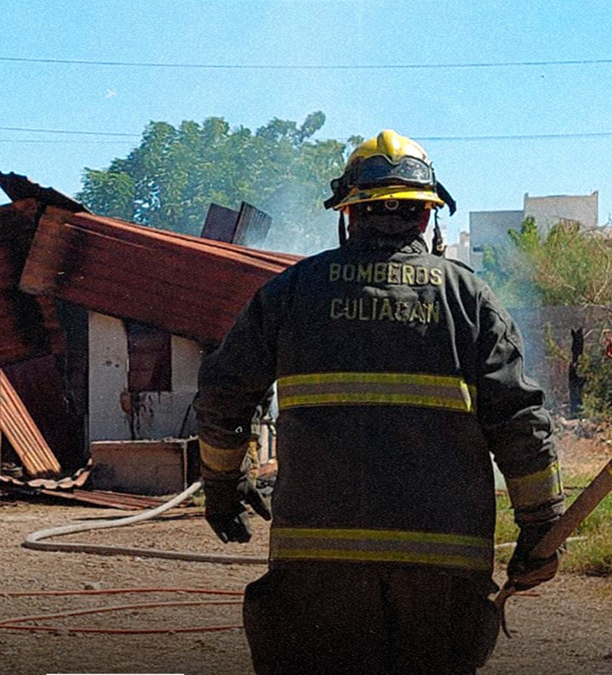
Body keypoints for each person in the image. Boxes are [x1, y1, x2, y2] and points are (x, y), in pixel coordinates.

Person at [195, 130, 564, 674]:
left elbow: (224, 398)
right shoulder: (469, 299)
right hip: (443, 575)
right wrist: (541, 525)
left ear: (348, 215)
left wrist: (224, 485)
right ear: (425, 218)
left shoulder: (293, 291)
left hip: (316, 571)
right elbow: (520, 424)